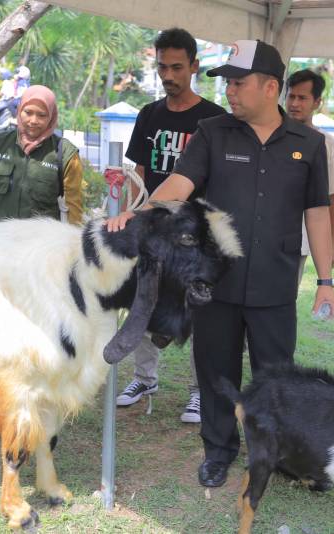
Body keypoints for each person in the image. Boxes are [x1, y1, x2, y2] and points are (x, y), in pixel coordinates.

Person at [106, 39, 334, 488]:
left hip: (275, 281)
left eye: (238, 82)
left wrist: (325, 280)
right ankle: (218, 451)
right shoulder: (212, 132)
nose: (229, 91)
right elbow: (180, 182)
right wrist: (139, 213)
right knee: (216, 369)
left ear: (269, 87)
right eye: (227, 83)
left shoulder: (309, 144)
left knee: (276, 376)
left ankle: (280, 454)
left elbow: (317, 213)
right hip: (215, 281)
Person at [116, 28, 226, 424]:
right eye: (162, 67)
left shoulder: (215, 119)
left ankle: (199, 393)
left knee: (199, 310)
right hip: (153, 228)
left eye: (177, 67)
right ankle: (144, 379)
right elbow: (140, 173)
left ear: (194, 66)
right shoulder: (149, 115)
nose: (168, 75)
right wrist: (129, 216)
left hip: (196, 236)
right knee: (143, 300)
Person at [0, 85, 83, 226]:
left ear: (52, 116)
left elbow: (73, 206)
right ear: (19, 110)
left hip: (42, 238)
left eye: (42, 115)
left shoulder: (65, 153)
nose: (33, 120)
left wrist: (73, 236)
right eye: (28, 112)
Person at [284, 69, 334, 280]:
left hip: (297, 243)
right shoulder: (270, 137)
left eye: (302, 98)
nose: (294, 104)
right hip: (258, 236)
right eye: (291, 96)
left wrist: (332, 245)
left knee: (284, 297)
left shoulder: (328, 145)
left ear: (317, 102)